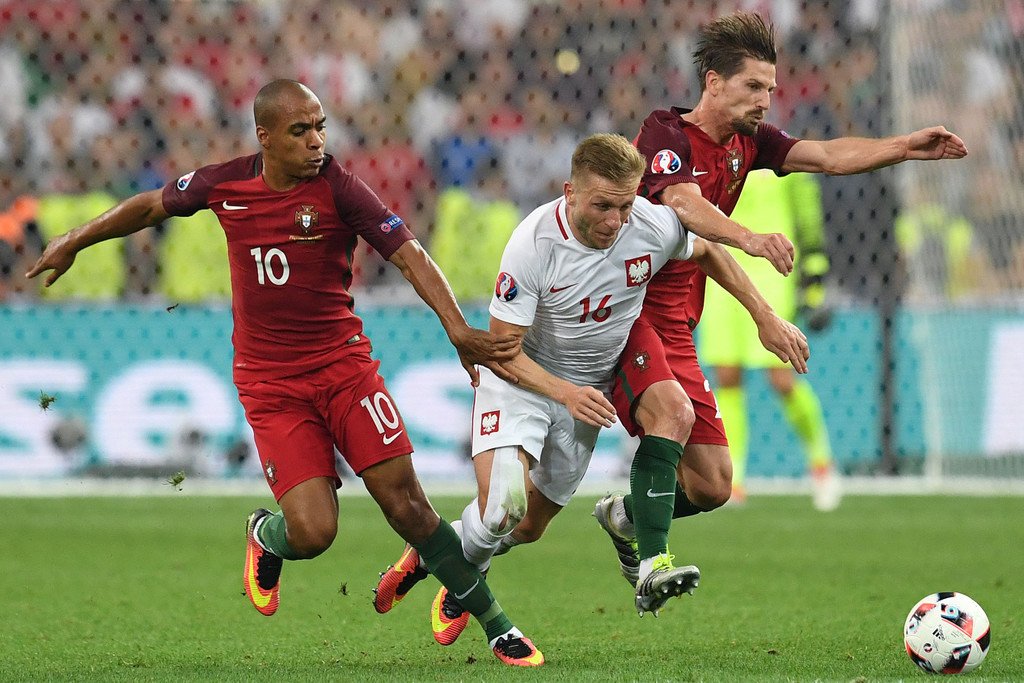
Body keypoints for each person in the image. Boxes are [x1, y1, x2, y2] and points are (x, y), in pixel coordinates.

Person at [26, 79, 545, 668]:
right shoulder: (225, 184)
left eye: (320, 126)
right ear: (265, 137)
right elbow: (149, 206)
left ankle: (498, 626)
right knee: (314, 533)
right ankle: (265, 535)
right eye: (301, 131)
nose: (317, 141)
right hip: (271, 386)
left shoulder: (340, 188)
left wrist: (456, 328)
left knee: (407, 507)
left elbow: (410, 255)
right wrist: (75, 239)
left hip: (344, 369)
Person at [372, 133, 810, 643]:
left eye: (625, 206)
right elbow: (502, 351)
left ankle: (438, 554)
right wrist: (564, 393)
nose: (615, 221)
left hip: (586, 391)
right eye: (603, 206)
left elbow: (707, 250)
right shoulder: (533, 244)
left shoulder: (648, 224)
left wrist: (763, 315)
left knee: (528, 527)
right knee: (502, 508)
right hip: (524, 381)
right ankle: (464, 580)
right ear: (570, 193)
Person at [594, 11, 968, 606]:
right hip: (620, 308)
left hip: (677, 323)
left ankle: (624, 517)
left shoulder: (749, 144)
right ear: (713, 82)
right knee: (662, 419)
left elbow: (827, 157)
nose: (765, 99)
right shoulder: (664, 133)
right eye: (753, 86)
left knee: (714, 485)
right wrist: (750, 238)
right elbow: (683, 204)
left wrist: (904, 147)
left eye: (770, 88)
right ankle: (650, 565)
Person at [699, 169, 839, 510]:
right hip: (721, 265)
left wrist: (815, 279)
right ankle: (734, 480)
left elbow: (808, 218)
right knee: (727, 375)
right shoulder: (713, 153)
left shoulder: (782, 156)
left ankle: (822, 464)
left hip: (773, 271)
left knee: (781, 377)